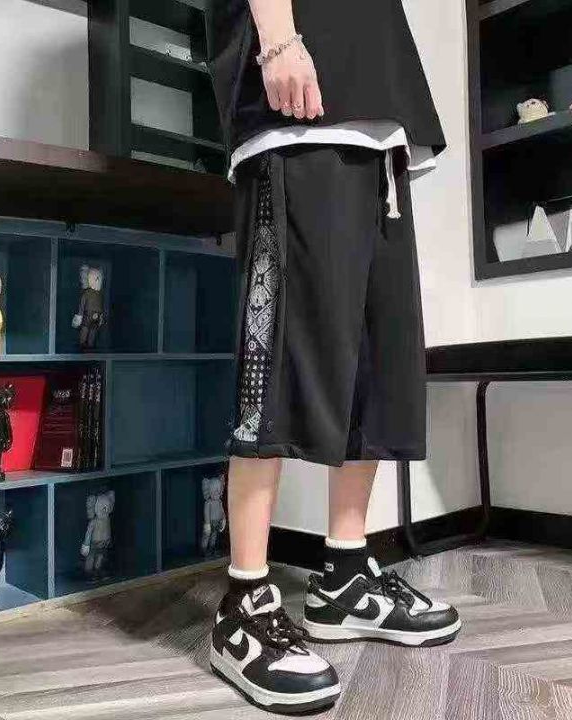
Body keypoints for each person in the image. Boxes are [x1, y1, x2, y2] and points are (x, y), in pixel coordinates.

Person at [205, 0, 461, 712]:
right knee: (280, 361)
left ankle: (345, 572)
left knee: (375, 361)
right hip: (298, 106)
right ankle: (244, 598)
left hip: (379, 126)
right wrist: (278, 39)